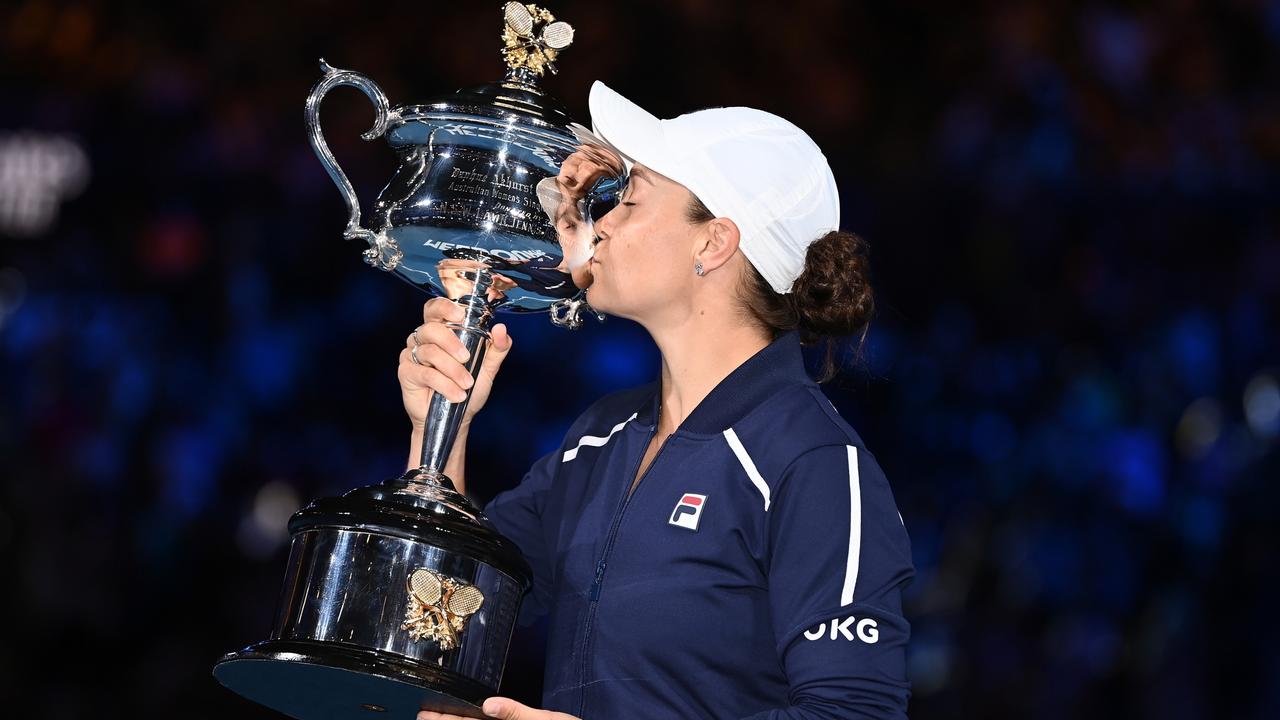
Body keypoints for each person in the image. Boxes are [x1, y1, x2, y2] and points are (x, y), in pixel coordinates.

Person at [399, 81, 914, 720]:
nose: (603, 222)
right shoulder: (598, 435)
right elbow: (446, 614)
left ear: (714, 243)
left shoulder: (812, 461)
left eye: (629, 199)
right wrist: (440, 430)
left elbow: (853, 713)